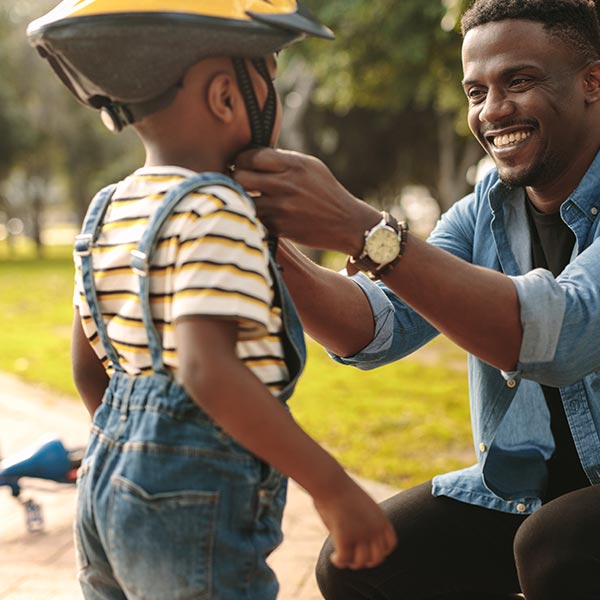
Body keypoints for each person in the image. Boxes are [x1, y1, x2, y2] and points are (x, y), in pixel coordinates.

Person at [231, 0, 600, 598]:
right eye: (475, 91)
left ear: (593, 81)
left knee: (555, 545)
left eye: (519, 81)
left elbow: (565, 332)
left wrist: (364, 230)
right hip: (529, 488)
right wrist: (265, 245)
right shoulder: (488, 208)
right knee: (358, 565)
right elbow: (374, 325)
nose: (493, 110)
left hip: (565, 521)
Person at [27, 1, 397, 598]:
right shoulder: (217, 208)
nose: (275, 97)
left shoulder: (108, 209)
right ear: (227, 97)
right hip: (192, 498)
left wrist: (133, 453)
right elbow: (207, 370)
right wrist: (333, 487)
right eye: (269, 75)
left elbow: (87, 369)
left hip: (103, 483)